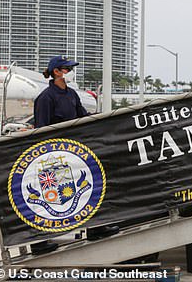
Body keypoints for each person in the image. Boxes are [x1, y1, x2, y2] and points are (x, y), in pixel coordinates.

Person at [31, 56, 119, 255]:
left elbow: (82, 117)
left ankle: (96, 228)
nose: (70, 73)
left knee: (88, 191)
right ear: (56, 72)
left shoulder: (72, 94)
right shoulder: (45, 98)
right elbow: (41, 129)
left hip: (75, 154)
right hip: (53, 158)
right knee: (50, 199)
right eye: (67, 69)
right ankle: (38, 242)